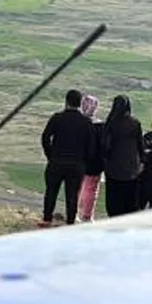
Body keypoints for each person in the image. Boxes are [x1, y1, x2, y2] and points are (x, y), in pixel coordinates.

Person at [38, 89, 96, 227]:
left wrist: (50, 155)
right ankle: (70, 222)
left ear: (66, 102)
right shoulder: (86, 122)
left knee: (51, 191)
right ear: (80, 103)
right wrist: (84, 161)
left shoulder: (57, 118)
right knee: (72, 195)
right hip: (76, 164)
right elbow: (91, 145)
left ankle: (47, 219)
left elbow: (45, 137)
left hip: (57, 161)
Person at [101, 94, 144, 217]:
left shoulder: (111, 123)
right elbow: (140, 145)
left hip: (114, 169)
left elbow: (105, 145)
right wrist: (142, 161)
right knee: (130, 199)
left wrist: (105, 159)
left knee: (114, 199)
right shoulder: (135, 123)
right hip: (131, 169)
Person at [77, 94, 106, 222]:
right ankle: (87, 216)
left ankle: (72, 213)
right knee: (91, 189)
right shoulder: (100, 125)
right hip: (94, 163)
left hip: (77, 160)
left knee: (75, 188)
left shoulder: (77, 122)